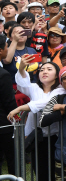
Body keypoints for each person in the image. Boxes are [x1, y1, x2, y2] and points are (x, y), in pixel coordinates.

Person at [0, 35, 18, 175]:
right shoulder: (3, 75)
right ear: (1, 50)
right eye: (7, 45)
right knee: (13, 160)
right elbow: (9, 102)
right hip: (4, 126)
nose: (8, 48)